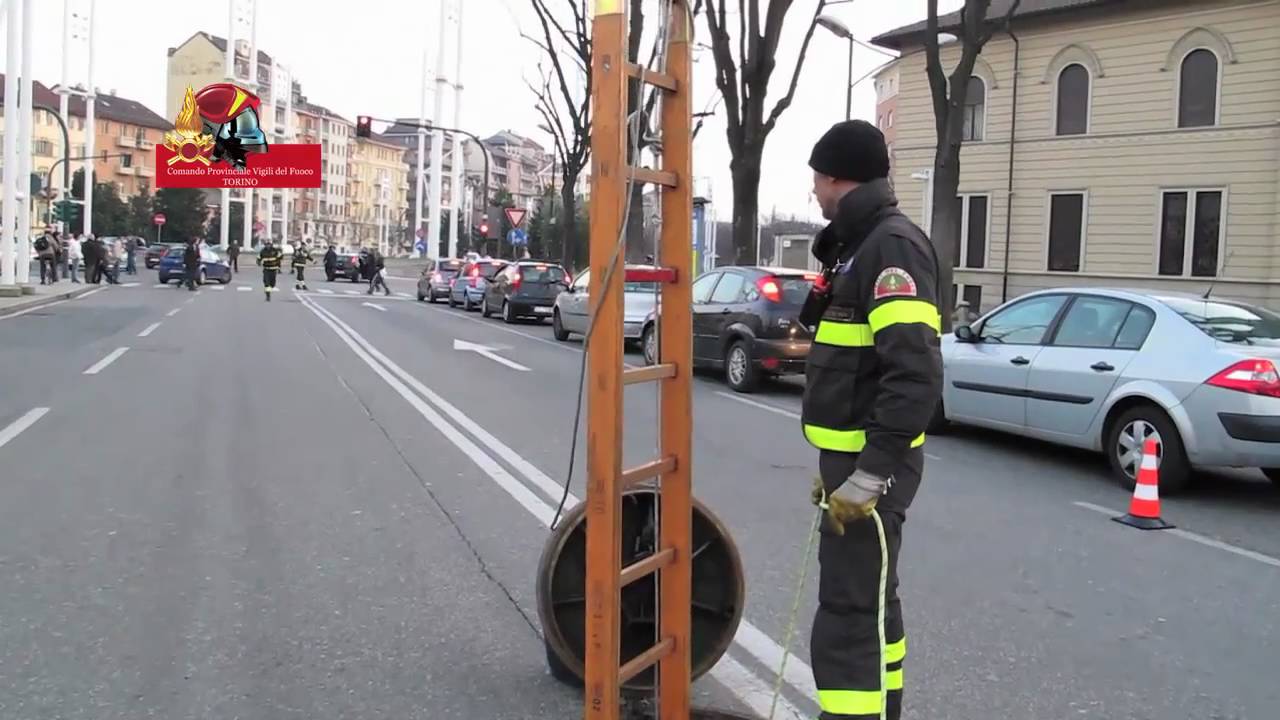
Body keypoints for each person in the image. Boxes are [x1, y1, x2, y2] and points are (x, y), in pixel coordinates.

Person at [800, 119, 943, 720]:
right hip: (855, 463)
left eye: (816, 177)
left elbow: (914, 375)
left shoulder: (891, 249)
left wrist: (869, 474)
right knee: (873, 602)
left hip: (871, 470)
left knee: (849, 611)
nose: (812, 190)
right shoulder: (860, 245)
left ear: (837, 175)